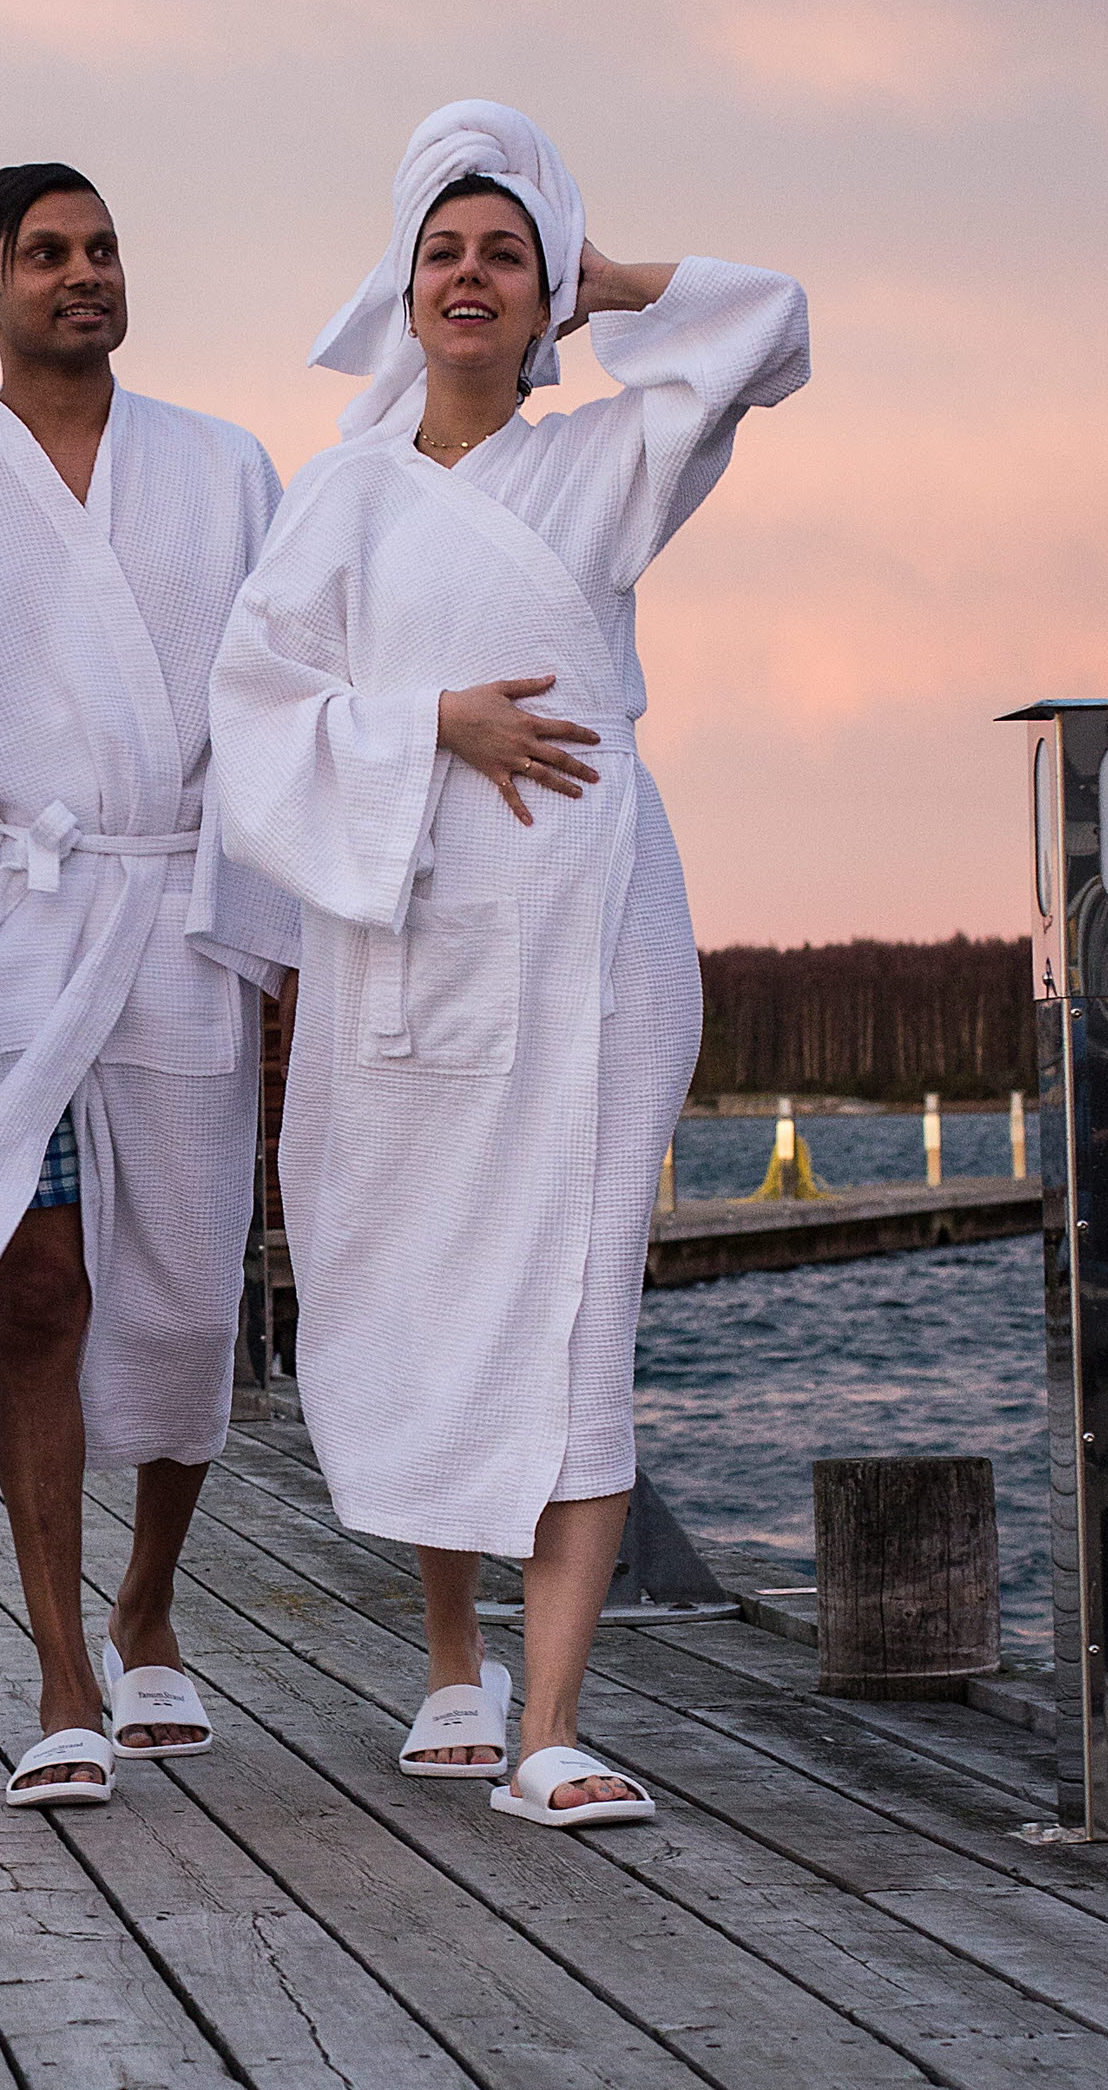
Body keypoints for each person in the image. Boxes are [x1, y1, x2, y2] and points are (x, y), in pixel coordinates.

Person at [213, 99, 808, 1831]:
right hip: (405, 941)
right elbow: (254, 719)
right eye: (444, 254)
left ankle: (552, 1724)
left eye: (505, 255)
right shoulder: (339, 496)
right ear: (401, 291)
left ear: (543, 292)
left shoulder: (603, 462)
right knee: (420, 1287)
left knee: (574, 1311)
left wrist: (607, 276)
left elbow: (771, 329)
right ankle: (452, 1663)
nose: (470, 279)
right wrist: (432, 725)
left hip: (593, 941)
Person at [0, 165, 294, 1810]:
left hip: (180, 920)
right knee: (33, 1286)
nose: (83, 274)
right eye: (46, 254)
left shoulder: (228, 471)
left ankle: (147, 1595)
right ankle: (60, 1670)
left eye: (102, 249)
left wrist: (287, 950)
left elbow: (279, 719)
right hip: (4, 932)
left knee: (185, 1298)